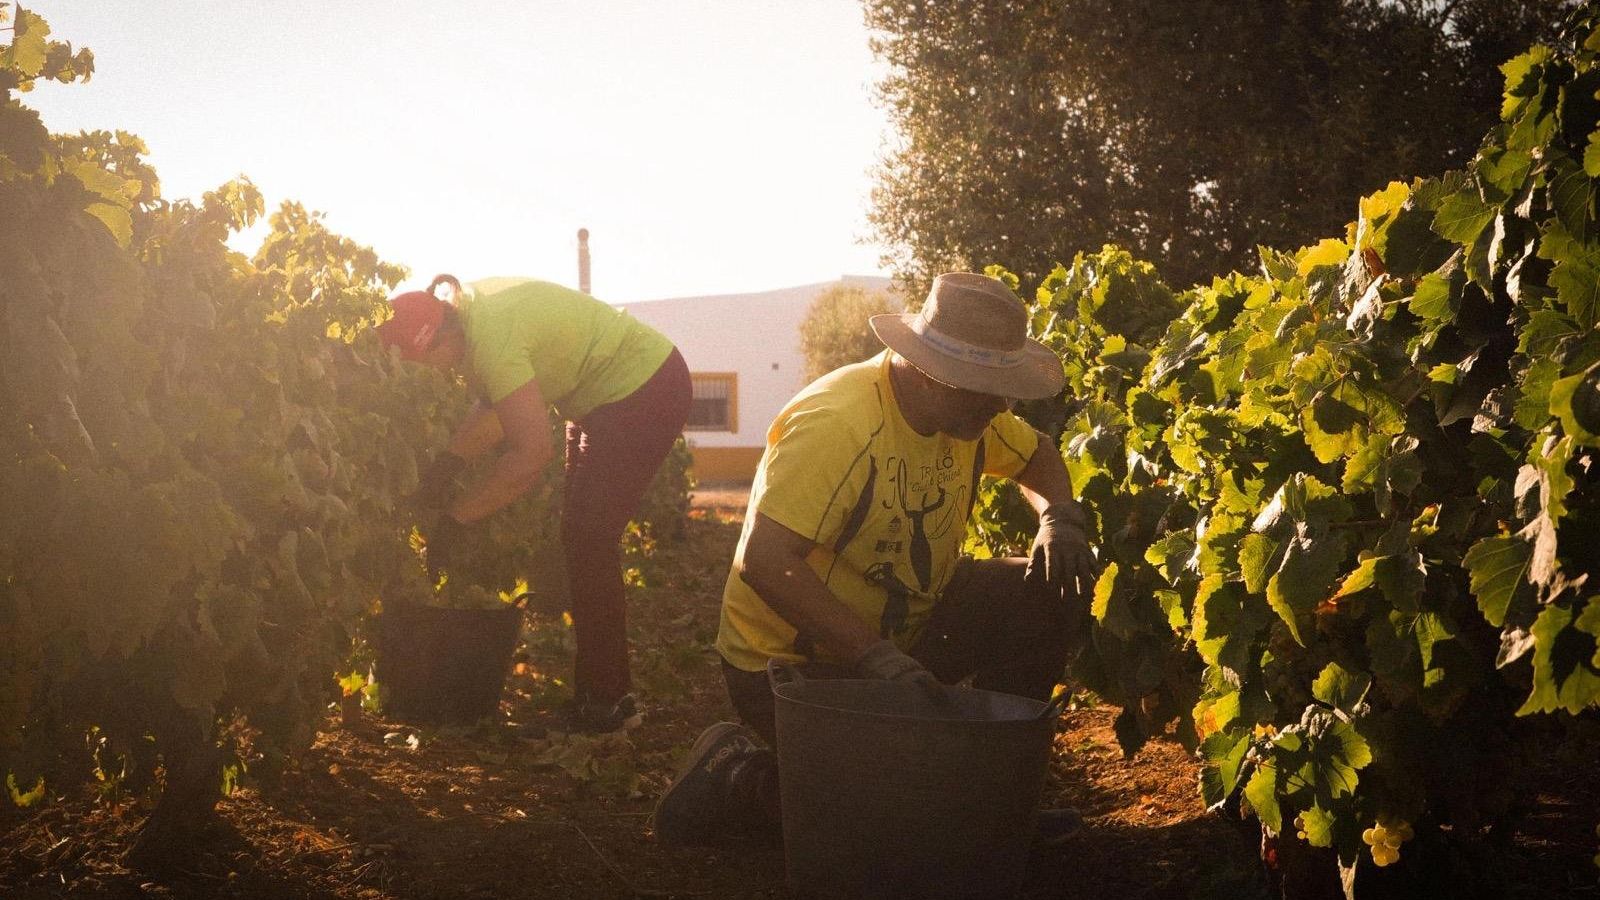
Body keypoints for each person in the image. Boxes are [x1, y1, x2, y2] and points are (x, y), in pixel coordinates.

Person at [653, 272, 1096, 844]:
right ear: (931, 372)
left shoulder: (970, 415)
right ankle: (739, 772)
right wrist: (873, 656)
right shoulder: (838, 423)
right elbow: (764, 559)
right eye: (984, 386)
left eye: (1003, 385)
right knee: (890, 828)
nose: (1001, 403)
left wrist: (1057, 517)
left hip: (906, 629)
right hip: (794, 661)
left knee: (1041, 591)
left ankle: (993, 802)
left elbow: (1036, 455)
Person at [377, 274, 691, 733]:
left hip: (642, 389)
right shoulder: (473, 320)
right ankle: (607, 698)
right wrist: (449, 463)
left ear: (442, 339)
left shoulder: (492, 342)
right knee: (584, 539)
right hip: (612, 394)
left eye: (425, 361)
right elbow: (501, 409)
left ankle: (604, 703)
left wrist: (457, 520)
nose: (431, 372)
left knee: (588, 539)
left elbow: (530, 457)